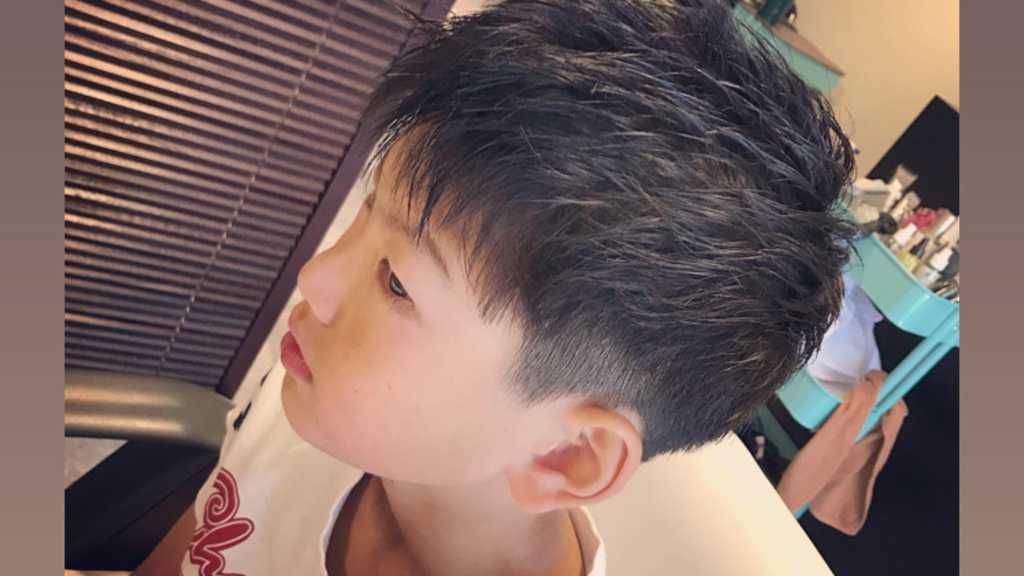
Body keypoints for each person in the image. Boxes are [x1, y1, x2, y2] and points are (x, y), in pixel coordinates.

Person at [135, 1, 855, 574]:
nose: (314, 279)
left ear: (566, 456)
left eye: (396, 282)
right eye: (366, 209)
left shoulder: (339, 393)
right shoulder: (313, 396)